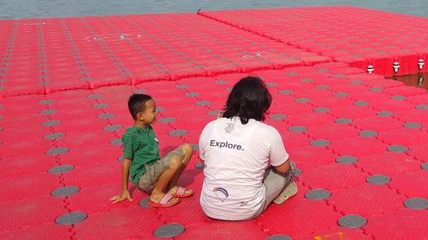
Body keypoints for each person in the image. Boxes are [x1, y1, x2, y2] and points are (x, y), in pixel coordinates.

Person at [199, 76, 297, 220]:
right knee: (290, 167)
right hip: (247, 209)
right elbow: (283, 169)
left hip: (209, 206)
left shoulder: (211, 127)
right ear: (262, 105)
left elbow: (204, 162)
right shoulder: (268, 132)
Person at [111, 93, 194, 207]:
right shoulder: (132, 135)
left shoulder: (148, 128)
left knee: (187, 148)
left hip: (153, 169)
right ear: (141, 116)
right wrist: (124, 190)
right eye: (153, 111)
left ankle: (172, 187)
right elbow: (126, 162)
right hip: (144, 177)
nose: (156, 113)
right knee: (175, 161)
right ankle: (156, 194)